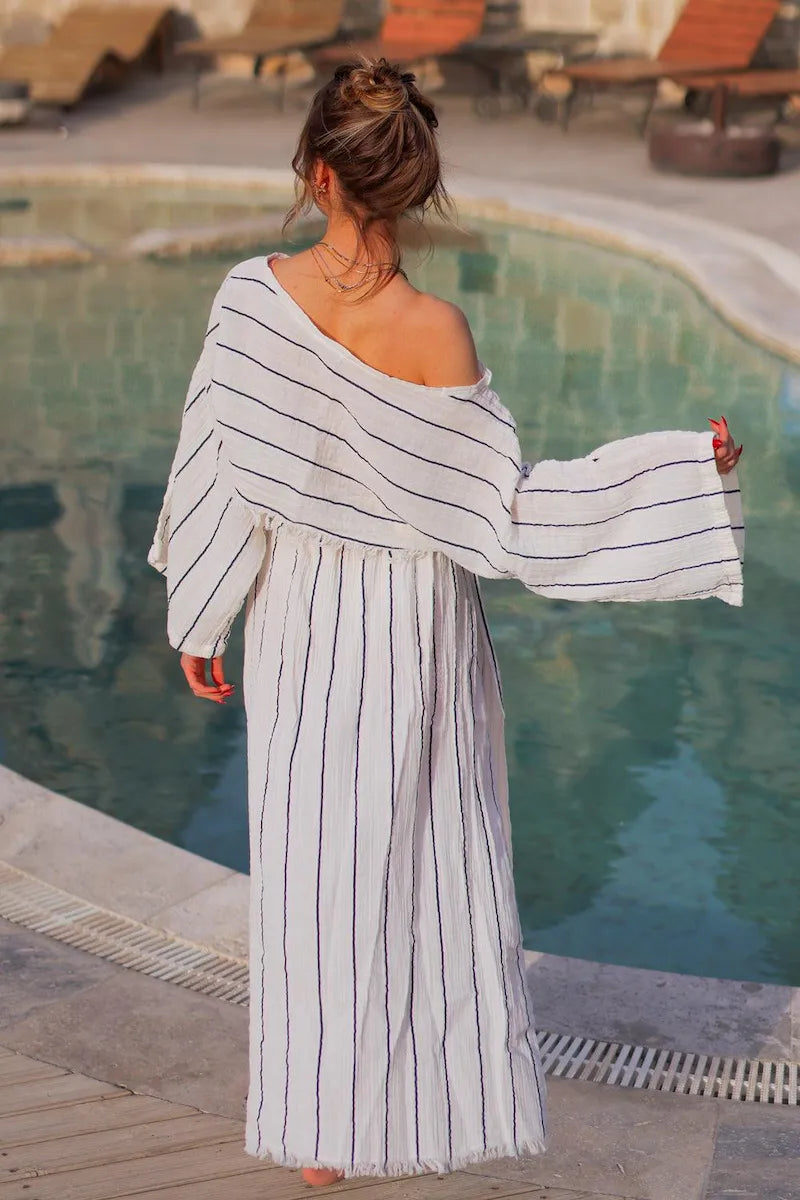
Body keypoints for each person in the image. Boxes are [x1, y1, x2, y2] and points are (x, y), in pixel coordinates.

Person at [149, 58, 744, 1188]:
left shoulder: (249, 299)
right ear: (411, 184)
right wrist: (682, 474)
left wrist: (200, 614)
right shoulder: (436, 332)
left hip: (297, 628)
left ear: (316, 174)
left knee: (306, 874)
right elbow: (508, 520)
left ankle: (316, 1132)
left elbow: (218, 468)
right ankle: (414, 1107)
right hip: (411, 634)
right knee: (416, 874)